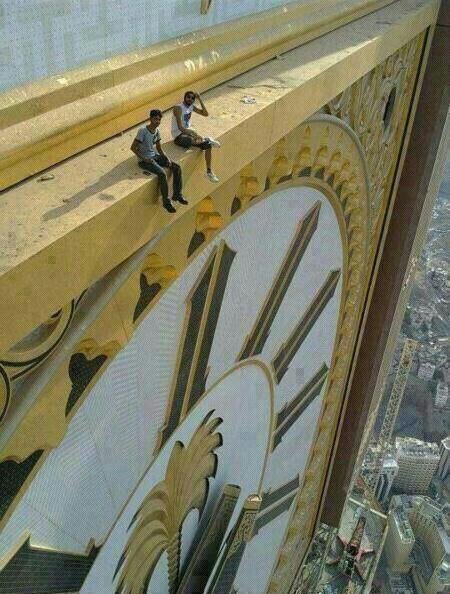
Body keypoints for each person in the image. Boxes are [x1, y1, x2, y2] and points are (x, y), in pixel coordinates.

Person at [131, 109, 188, 213]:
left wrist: (167, 158)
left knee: (176, 167)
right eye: (155, 119)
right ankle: (166, 202)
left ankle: (177, 195)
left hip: (154, 156)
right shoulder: (143, 131)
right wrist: (145, 159)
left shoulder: (157, 131)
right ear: (150, 119)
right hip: (144, 161)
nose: (157, 121)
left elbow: (159, 148)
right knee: (162, 173)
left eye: (159, 119)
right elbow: (133, 148)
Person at [172, 91, 221, 183]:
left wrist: (200, 99)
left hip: (188, 133)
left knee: (208, 145)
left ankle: (209, 172)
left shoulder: (191, 107)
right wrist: (193, 134)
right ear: (184, 97)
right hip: (179, 136)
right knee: (189, 140)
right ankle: (205, 139)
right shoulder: (178, 108)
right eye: (188, 97)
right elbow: (180, 128)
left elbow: (205, 114)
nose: (190, 99)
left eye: (192, 98)